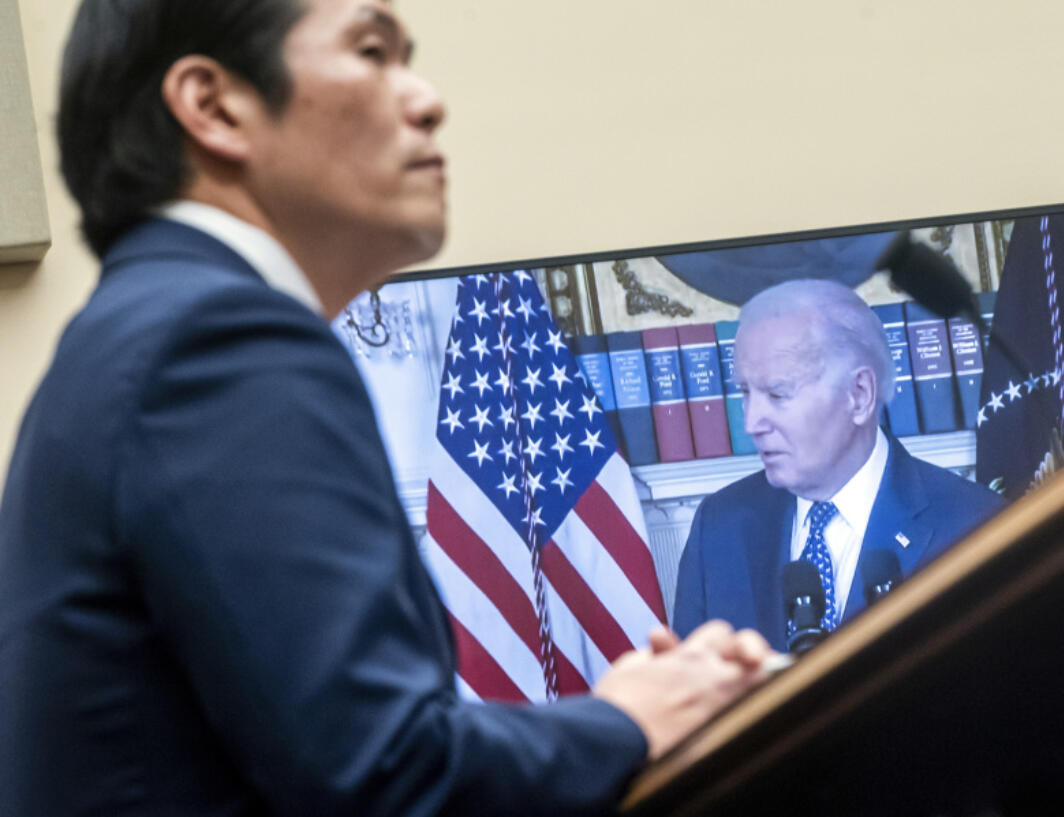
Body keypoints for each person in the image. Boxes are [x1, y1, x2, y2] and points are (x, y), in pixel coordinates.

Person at [0, 1, 773, 814]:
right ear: (213, 105)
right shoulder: (216, 340)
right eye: (372, 52)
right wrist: (628, 722)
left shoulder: (142, 333)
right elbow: (386, 774)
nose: (427, 98)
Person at [673, 279, 1004, 651]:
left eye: (778, 394)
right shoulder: (718, 528)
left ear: (859, 394)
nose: (752, 423)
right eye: (746, 393)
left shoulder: (976, 527)